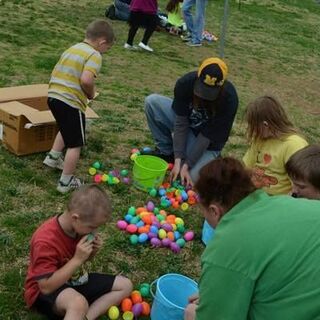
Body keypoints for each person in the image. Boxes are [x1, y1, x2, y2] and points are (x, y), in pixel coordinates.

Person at [184, 157, 320, 320]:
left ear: (214, 211)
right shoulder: (282, 202)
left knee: (192, 314)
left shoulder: (228, 244)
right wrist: (217, 295)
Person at [24, 184, 133, 320]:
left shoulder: (78, 228)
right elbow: (45, 287)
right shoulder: (45, 241)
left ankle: (85, 317)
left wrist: (91, 252)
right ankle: (77, 312)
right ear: (75, 218)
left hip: (73, 281)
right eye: (92, 227)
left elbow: (78, 264)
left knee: (125, 285)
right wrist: (77, 259)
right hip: (43, 292)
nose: (94, 232)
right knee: (78, 304)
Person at [43, 20, 115, 193]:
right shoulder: (94, 54)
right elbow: (86, 79)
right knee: (76, 143)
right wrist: (90, 94)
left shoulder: (73, 48)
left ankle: (52, 158)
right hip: (70, 101)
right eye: (108, 48)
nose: (106, 51)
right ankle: (65, 182)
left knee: (66, 128)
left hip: (53, 96)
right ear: (102, 42)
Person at [243, 95, 308, 195]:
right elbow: (245, 167)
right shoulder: (260, 139)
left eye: (253, 126)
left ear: (265, 125)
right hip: (254, 196)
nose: (252, 131)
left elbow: (299, 189)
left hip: (278, 202)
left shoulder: (294, 145)